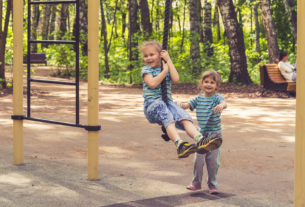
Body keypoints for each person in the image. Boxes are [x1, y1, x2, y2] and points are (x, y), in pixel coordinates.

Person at [140, 41, 222, 159]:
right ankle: (179, 144)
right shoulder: (146, 70)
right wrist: (164, 71)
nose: (148, 58)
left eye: (151, 54)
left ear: (160, 55)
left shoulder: (166, 67)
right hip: (153, 105)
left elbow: (176, 78)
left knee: (184, 117)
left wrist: (168, 61)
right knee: (168, 117)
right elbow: (152, 84)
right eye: (145, 56)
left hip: (167, 103)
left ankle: (200, 140)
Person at [179, 70, 227, 194]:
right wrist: (180, 105)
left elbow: (224, 103)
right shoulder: (198, 98)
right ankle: (196, 183)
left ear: (216, 86)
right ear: (201, 83)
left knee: (212, 163)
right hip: (200, 135)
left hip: (214, 136)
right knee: (198, 160)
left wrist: (222, 106)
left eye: (212, 82)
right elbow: (188, 105)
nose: (209, 84)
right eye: (206, 82)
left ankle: (212, 185)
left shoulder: (217, 98)